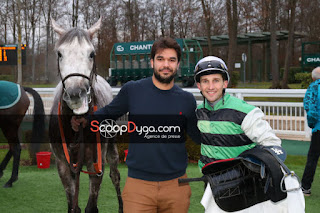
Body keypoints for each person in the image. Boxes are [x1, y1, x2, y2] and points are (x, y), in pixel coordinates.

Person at [71, 37, 201, 213]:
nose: (166, 65)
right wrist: (84, 119)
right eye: (160, 59)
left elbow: (198, 136)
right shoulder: (133, 90)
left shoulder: (187, 100)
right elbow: (109, 112)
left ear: (178, 64)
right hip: (139, 187)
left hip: (176, 187)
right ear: (152, 62)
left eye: (172, 60)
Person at [194, 56, 281, 170]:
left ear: (225, 83)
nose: (211, 87)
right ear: (199, 86)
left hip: (242, 183)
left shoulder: (245, 112)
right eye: (205, 81)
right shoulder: (199, 112)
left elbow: (272, 144)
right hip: (211, 181)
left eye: (216, 80)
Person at [301, 66, 320, 196]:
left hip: (319, 128)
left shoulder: (313, 87)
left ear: (313, 77)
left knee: (313, 158)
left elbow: (310, 107)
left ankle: (305, 187)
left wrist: (313, 124)